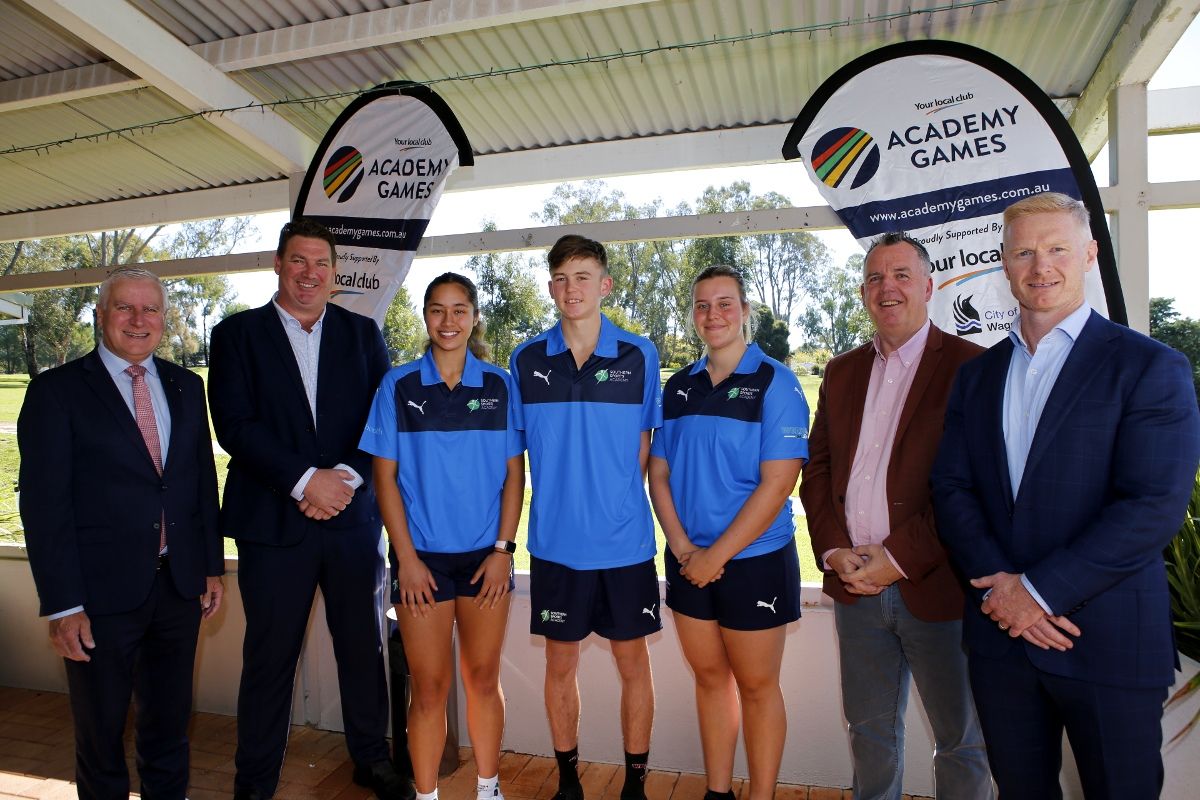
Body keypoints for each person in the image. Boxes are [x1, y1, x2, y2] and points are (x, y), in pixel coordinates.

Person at [931, 192, 1200, 798]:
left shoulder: (1149, 367)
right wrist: (1004, 591)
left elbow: (1151, 506)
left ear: (1088, 254)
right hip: (1003, 641)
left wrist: (1036, 592)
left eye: (1056, 248)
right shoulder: (977, 376)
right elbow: (951, 487)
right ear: (1003, 262)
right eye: (1023, 251)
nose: (1039, 266)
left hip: (1105, 641)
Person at [207, 219, 402, 800]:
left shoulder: (363, 334)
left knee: (363, 650)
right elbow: (235, 424)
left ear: (335, 271)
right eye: (299, 261)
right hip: (273, 524)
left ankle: (372, 758)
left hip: (351, 521)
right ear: (278, 263)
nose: (309, 273)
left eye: (321, 263)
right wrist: (302, 481)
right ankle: (256, 779)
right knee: (269, 660)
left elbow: (382, 420)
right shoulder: (236, 335)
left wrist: (340, 480)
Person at [18, 267, 224, 800]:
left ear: (163, 319)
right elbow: (44, 506)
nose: (138, 320)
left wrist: (209, 566)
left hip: (177, 589)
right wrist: (63, 605)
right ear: (101, 316)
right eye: (124, 308)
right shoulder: (56, 392)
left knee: (168, 730)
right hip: (98, 597)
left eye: (150, 309)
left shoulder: (185, 386)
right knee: (101, 735)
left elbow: (200, 480)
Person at [800, 233, 992, 800]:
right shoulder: (840, 372)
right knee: (870, 732)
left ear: (929, 286)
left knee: (962, 741)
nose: (889, 288)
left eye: (902, 275)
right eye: (876, 278)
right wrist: (836, 552)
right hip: (854, 586)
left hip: (937, 589)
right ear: (863, 293)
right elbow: (819, 469)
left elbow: (976, 488)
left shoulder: (971, 367)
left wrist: (897, 559)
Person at [359, 273, 524, 800]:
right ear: (425, 317)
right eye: (437, 310)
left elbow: (514, 476)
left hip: (485, 560)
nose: (448, 321)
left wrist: (503, 550)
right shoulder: (398, 386)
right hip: (420, 563)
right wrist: (404, 559)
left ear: (475, 316)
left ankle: (488, 788)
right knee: (428, 690)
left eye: (459, 310)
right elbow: (383, 479)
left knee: (482, 679)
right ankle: (427, 795)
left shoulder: (499, 385)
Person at [509, 234, 662, 800]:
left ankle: (636, 786)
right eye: (561, 278)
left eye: (583, 276)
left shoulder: (639, 355)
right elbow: (516, 459)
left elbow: (646, 450)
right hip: (554, 547)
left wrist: (614, 499)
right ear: (551, 287)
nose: (572, 288)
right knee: (559, 668)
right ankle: (569, 781)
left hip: (624, 546)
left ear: (605, 285)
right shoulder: (525, 360)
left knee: (634, 666)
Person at [647, 265, 808, 800]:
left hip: (754, 561)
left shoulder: (776, 382)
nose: (712, 314)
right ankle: (719, 792)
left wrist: (716, 555)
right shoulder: (680, 385)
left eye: (724, 303)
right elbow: (660, 472)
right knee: (711, 680)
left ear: (744, 311)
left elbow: (778, 482)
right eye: (701, 305)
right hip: (689, 560)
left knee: (758, 689)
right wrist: (683, 547)